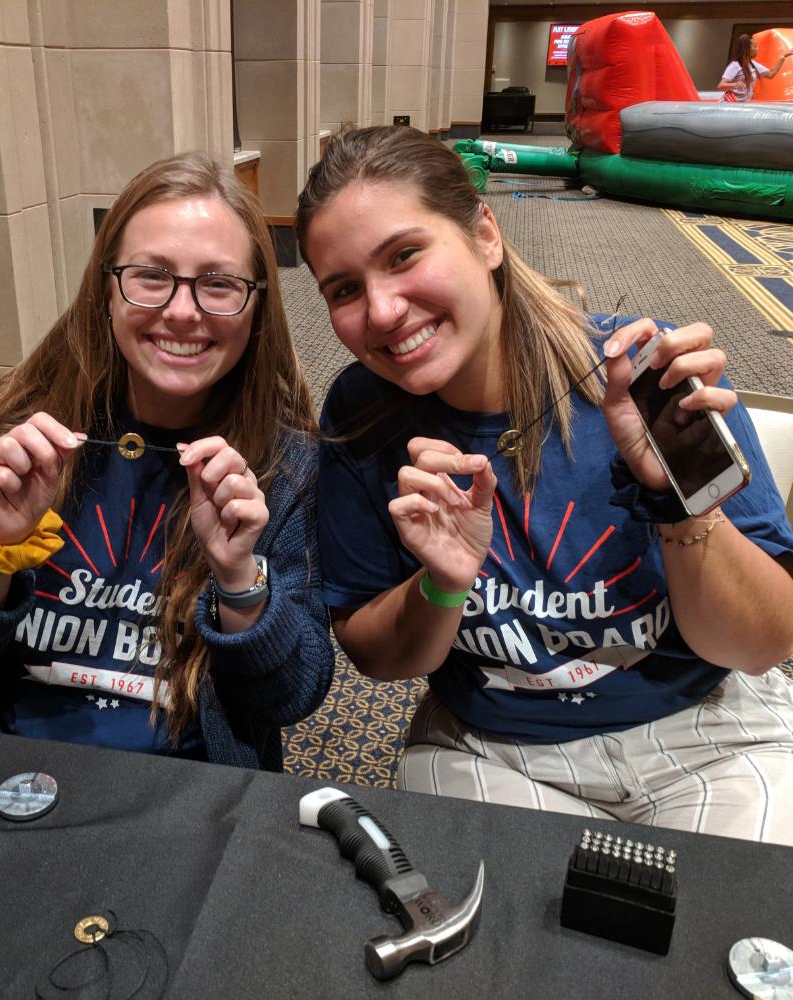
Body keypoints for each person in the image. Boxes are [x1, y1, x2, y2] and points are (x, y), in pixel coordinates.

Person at [294, 126, 793, 843]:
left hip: (703, 729)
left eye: (404, 255)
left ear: (485, 235)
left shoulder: (645, 373)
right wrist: (440, 585)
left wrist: (678, 501)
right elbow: (377, 656)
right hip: (496, 748)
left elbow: (762, 643)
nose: (382, 312)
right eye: (345, 289)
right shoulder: (362, 412)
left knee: (740, 903)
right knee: (506, 910)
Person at [0, 151, 334, 771]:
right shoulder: (18, 425)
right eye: (151, 275)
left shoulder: (286, 468)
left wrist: (239, 579)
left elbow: (292, 694)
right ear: (106, 288)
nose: (183, 311)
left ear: (257, 306)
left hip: (181, 785)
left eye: (219, 283)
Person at [717, 34, 791, 102]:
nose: (757, 49)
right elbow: (720, 86)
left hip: (741, 105)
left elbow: (771, 74)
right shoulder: (735, 65)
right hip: (729, 104)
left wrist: (783, 57)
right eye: (754, 47)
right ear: (747, 49)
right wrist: (735, 84)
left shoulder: (753, 64)